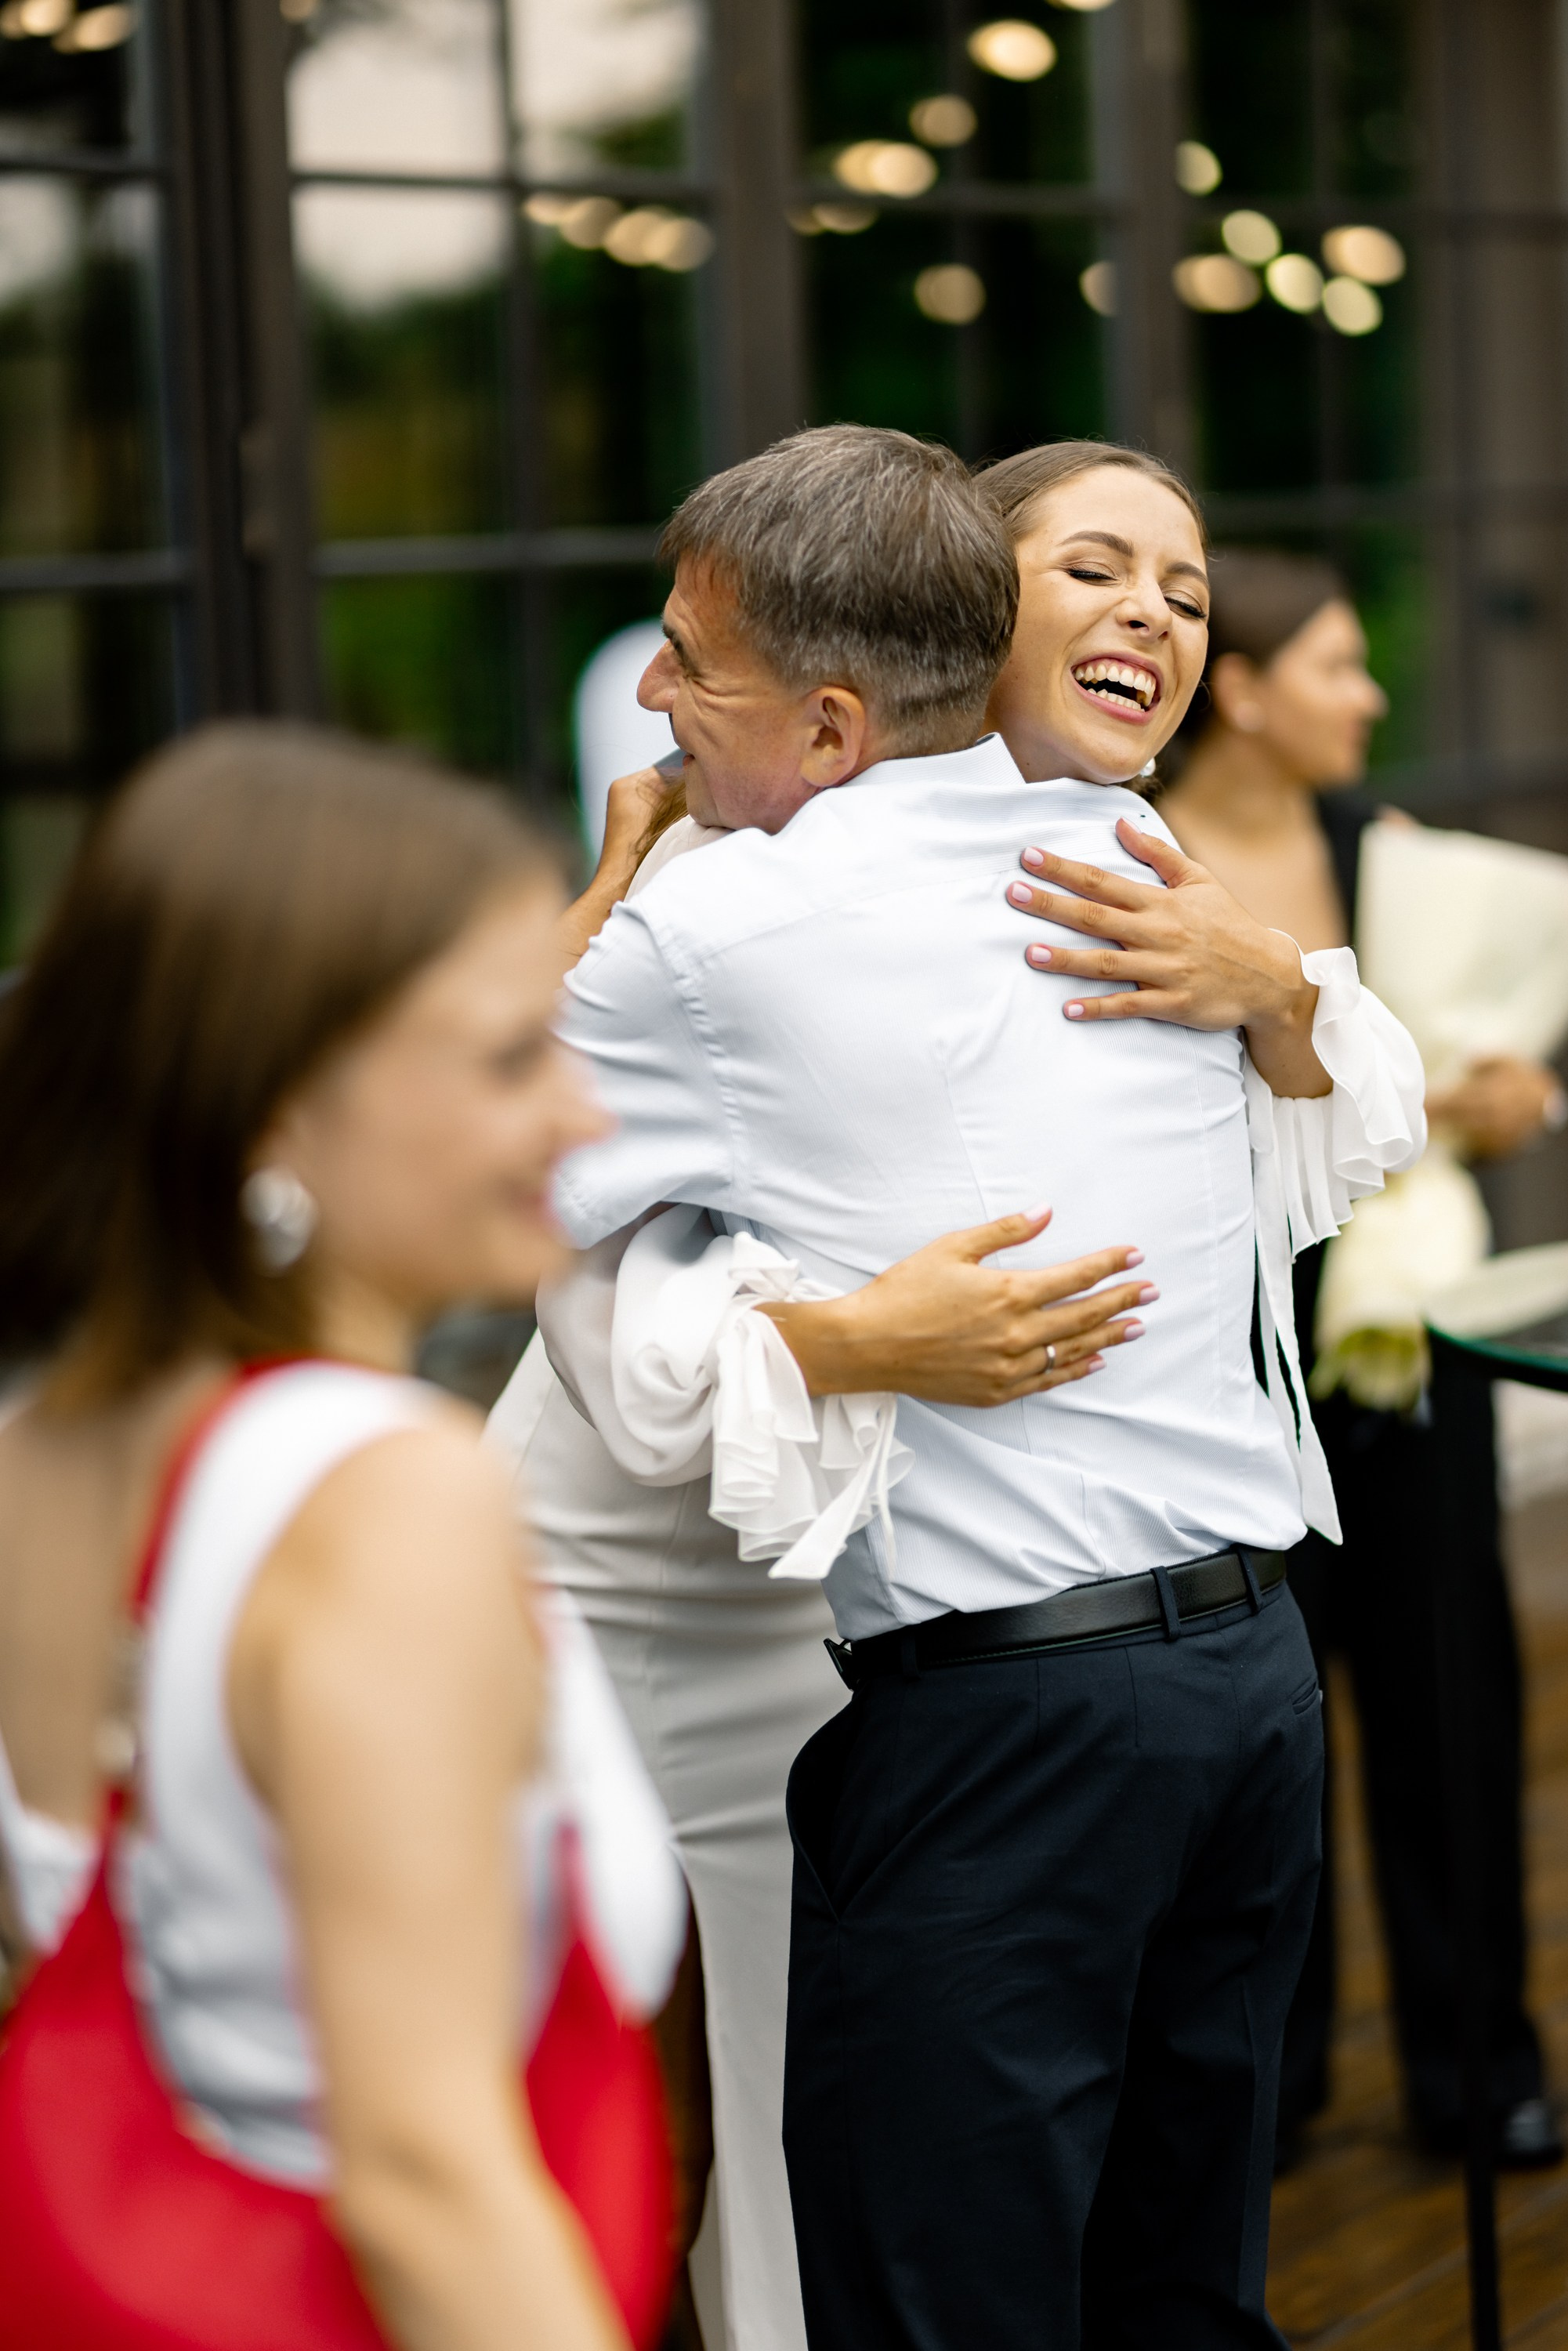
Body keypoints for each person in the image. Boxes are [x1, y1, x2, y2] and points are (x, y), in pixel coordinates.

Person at [545, 423, 1425, 2347]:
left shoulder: (767, 922)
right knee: (1177, 2283)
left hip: (1010, 1719)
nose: (658, 696)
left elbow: (465, 1154)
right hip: (1237, 1681)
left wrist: (607, 907)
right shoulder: (1118, 863)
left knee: (946, 2297)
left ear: (845, 707)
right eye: (1097, 568)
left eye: (691, 659)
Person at [0, 723, 689, 2350]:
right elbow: (423, 2179)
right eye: (512, 1058)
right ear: (275, 1106)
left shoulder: (43, 1457)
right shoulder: (386, 1501)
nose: (582, 1118)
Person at [491, 763, 1152, 2351]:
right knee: (588, 2099)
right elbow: (611, 1322)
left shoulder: (1072, 884)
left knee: (803, 2106)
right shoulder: (696, 894)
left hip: (823, 1606)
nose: (649, 712)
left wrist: (1275, 997)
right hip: (606, 1572)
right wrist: (861, 1338)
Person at [1146, 547, 1566, 2168]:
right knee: (1262, 1737)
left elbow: (1419, 1073)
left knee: (1450, 1706)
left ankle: (1479, 2077)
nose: (1367, 695)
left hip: (1406, 1335)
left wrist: (1499, 1100)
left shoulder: (1376, 851)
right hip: (1223, 1346)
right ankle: (1272, 2088)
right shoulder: (1134, 855)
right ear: (1239, 695)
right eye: (1333, 665)